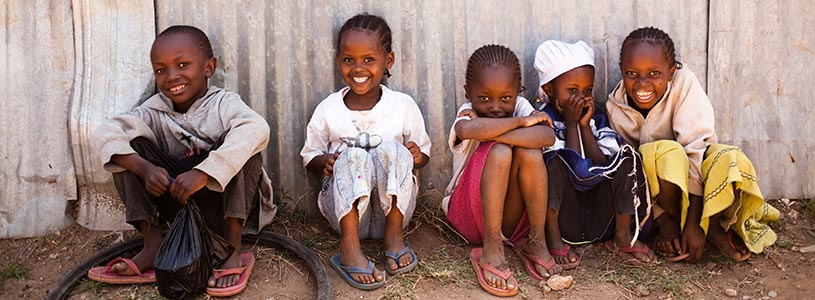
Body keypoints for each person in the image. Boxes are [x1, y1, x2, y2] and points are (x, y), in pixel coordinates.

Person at [88, 25, 275, 297]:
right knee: (126, 149)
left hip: (221, 206)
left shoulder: (223, 104)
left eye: (183, 65)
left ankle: (231, 248)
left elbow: (257, 128)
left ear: (209, 68)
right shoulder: (153, 111)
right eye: (161, 70)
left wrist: (204, 173)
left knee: (246, 148)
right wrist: (145, 168)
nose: (172, 76)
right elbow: (106, 133)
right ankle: (153, 243)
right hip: (178, 203)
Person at [606, 26, 780, 263]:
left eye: (655, 73)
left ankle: (711, 226)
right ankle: (669, 227)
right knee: (660, 153)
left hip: (698, 186)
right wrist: (662, 219)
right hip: (662, 197)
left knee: (730, 158)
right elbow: (631, 173)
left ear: (671, 71)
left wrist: (695, 223)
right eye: (632, 73)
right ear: (622, 72)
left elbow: (696, 147)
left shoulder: (684, 84)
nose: (642, 84)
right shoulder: (615, 108)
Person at [300, 14, 431, 291]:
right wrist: (326, 161)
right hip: (347, 216)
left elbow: (424, 152)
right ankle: (349, 248)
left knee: (393, 150)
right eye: (349, 60)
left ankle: (394, 237)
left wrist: (416, 155)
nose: (358, 68)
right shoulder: (328, 109)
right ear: (339, 61)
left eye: (369, 60)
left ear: (388, 61)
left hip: (394, 212)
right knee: (354, 155)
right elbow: (309, 155)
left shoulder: (402, 105)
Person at [443, 44, 557, 297]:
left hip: (511, 222)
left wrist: (514, 127)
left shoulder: (521, 105)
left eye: (506, 98)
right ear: (468, 93)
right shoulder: (467, 112)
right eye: (484, 98)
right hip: (468, 217)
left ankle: (536, 242)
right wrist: (519, 123)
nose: (495, 107)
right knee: (501, 150)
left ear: (518, 92)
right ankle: (491, 249)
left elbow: (547, 136)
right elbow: (467, 130)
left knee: (530, 151)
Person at [534, 40, 656, 267]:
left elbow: (603, 163)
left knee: (628, 156)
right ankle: (552, 238)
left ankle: (621, 235)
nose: (581, 97)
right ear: (549, 90)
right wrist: (570, 126)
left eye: (587, 90)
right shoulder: (542, 120)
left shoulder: (595, 119)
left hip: (600, 215)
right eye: (572, 91)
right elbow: (571, 168)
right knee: (552, 163)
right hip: (565, 215)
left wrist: (582, 126)